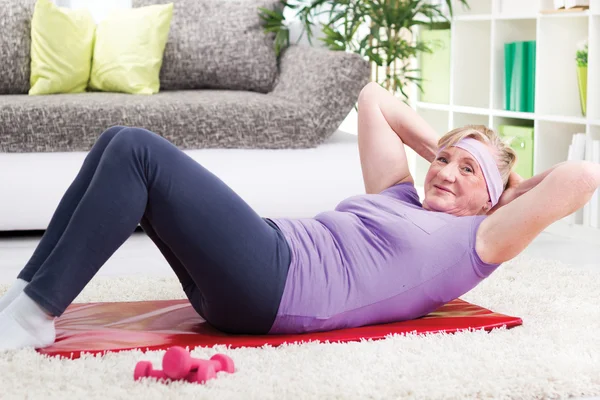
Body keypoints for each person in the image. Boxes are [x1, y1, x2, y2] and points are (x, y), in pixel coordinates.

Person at [1, 82, 599, 351]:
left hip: (275, 287)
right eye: (444, 160)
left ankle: (36, 312)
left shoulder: (479, 239)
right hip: (263, 258)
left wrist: (510, 190)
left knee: (136, 148)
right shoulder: (399, 195)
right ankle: (29, 293)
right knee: (114, 139)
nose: (446, 172)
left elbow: (582, 178)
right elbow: (374, 100)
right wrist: (445, 153)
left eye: (469, 172)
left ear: (493, 199)